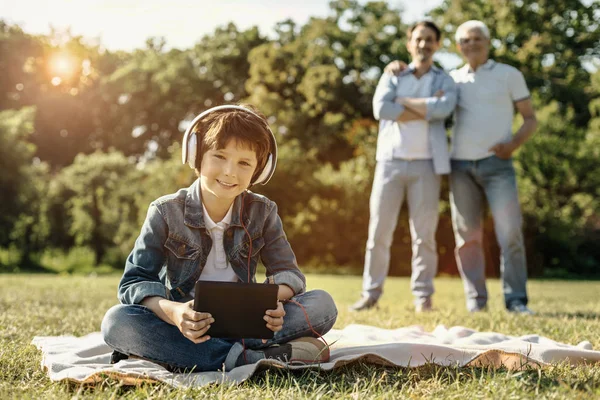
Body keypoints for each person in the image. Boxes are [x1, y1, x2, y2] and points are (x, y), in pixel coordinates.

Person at [101, 105, 338, 372]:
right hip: (187, 324)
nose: (229, 172)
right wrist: (175, 313)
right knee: (117, 322)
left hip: (248, 320)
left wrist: (275, 301)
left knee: (323, 305)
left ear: (259, 171)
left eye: (244, 163)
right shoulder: (164, 211)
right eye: (220, 157)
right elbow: (136, 280)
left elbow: (288, 273)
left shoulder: (264, 211)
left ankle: (203, 354)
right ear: (196, 156)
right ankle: (250, 357)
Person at [350, 21, 457, 312]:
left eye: (430, 39)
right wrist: (425, 107)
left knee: (424, 236)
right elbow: (381, 109)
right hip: (390, 162)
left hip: (427, 165)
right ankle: (370, 295)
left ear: (437, 44)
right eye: (419, 39)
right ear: (410, 43)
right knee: (378, 234)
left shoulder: (444, 79)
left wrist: (404, 103)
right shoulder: (393, 74)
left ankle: (423, 298)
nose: (424, 44)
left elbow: (444, 110)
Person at [448, 21, 537, 314]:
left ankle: (516, 301)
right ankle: (476, 300)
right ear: (458, 46)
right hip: (460, 166)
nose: (471, 44)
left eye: (476, 38)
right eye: (465, 40)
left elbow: (530, 119)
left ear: (487, 42)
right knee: (467, 236)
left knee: (509, 232)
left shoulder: (509, 75)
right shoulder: (451, 79)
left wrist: (512, 145)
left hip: (498, 165)